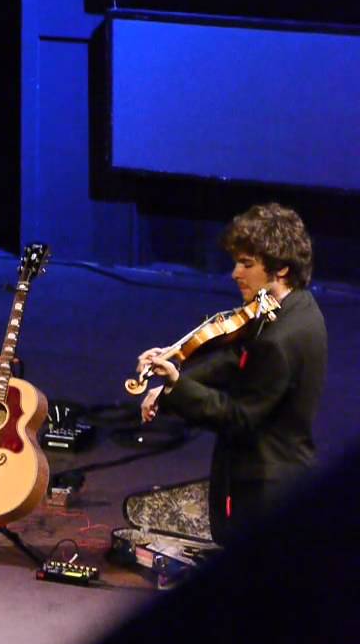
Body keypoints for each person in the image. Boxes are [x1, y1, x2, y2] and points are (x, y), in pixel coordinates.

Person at [138, 202, 326, 545]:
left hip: (264, 489)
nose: (235, 273)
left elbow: (239, 417)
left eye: (247, 264)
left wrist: (178, 388)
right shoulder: (296, 308)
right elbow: (237, 356)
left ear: (281, 268)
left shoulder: (281, 339)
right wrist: (175, 371)